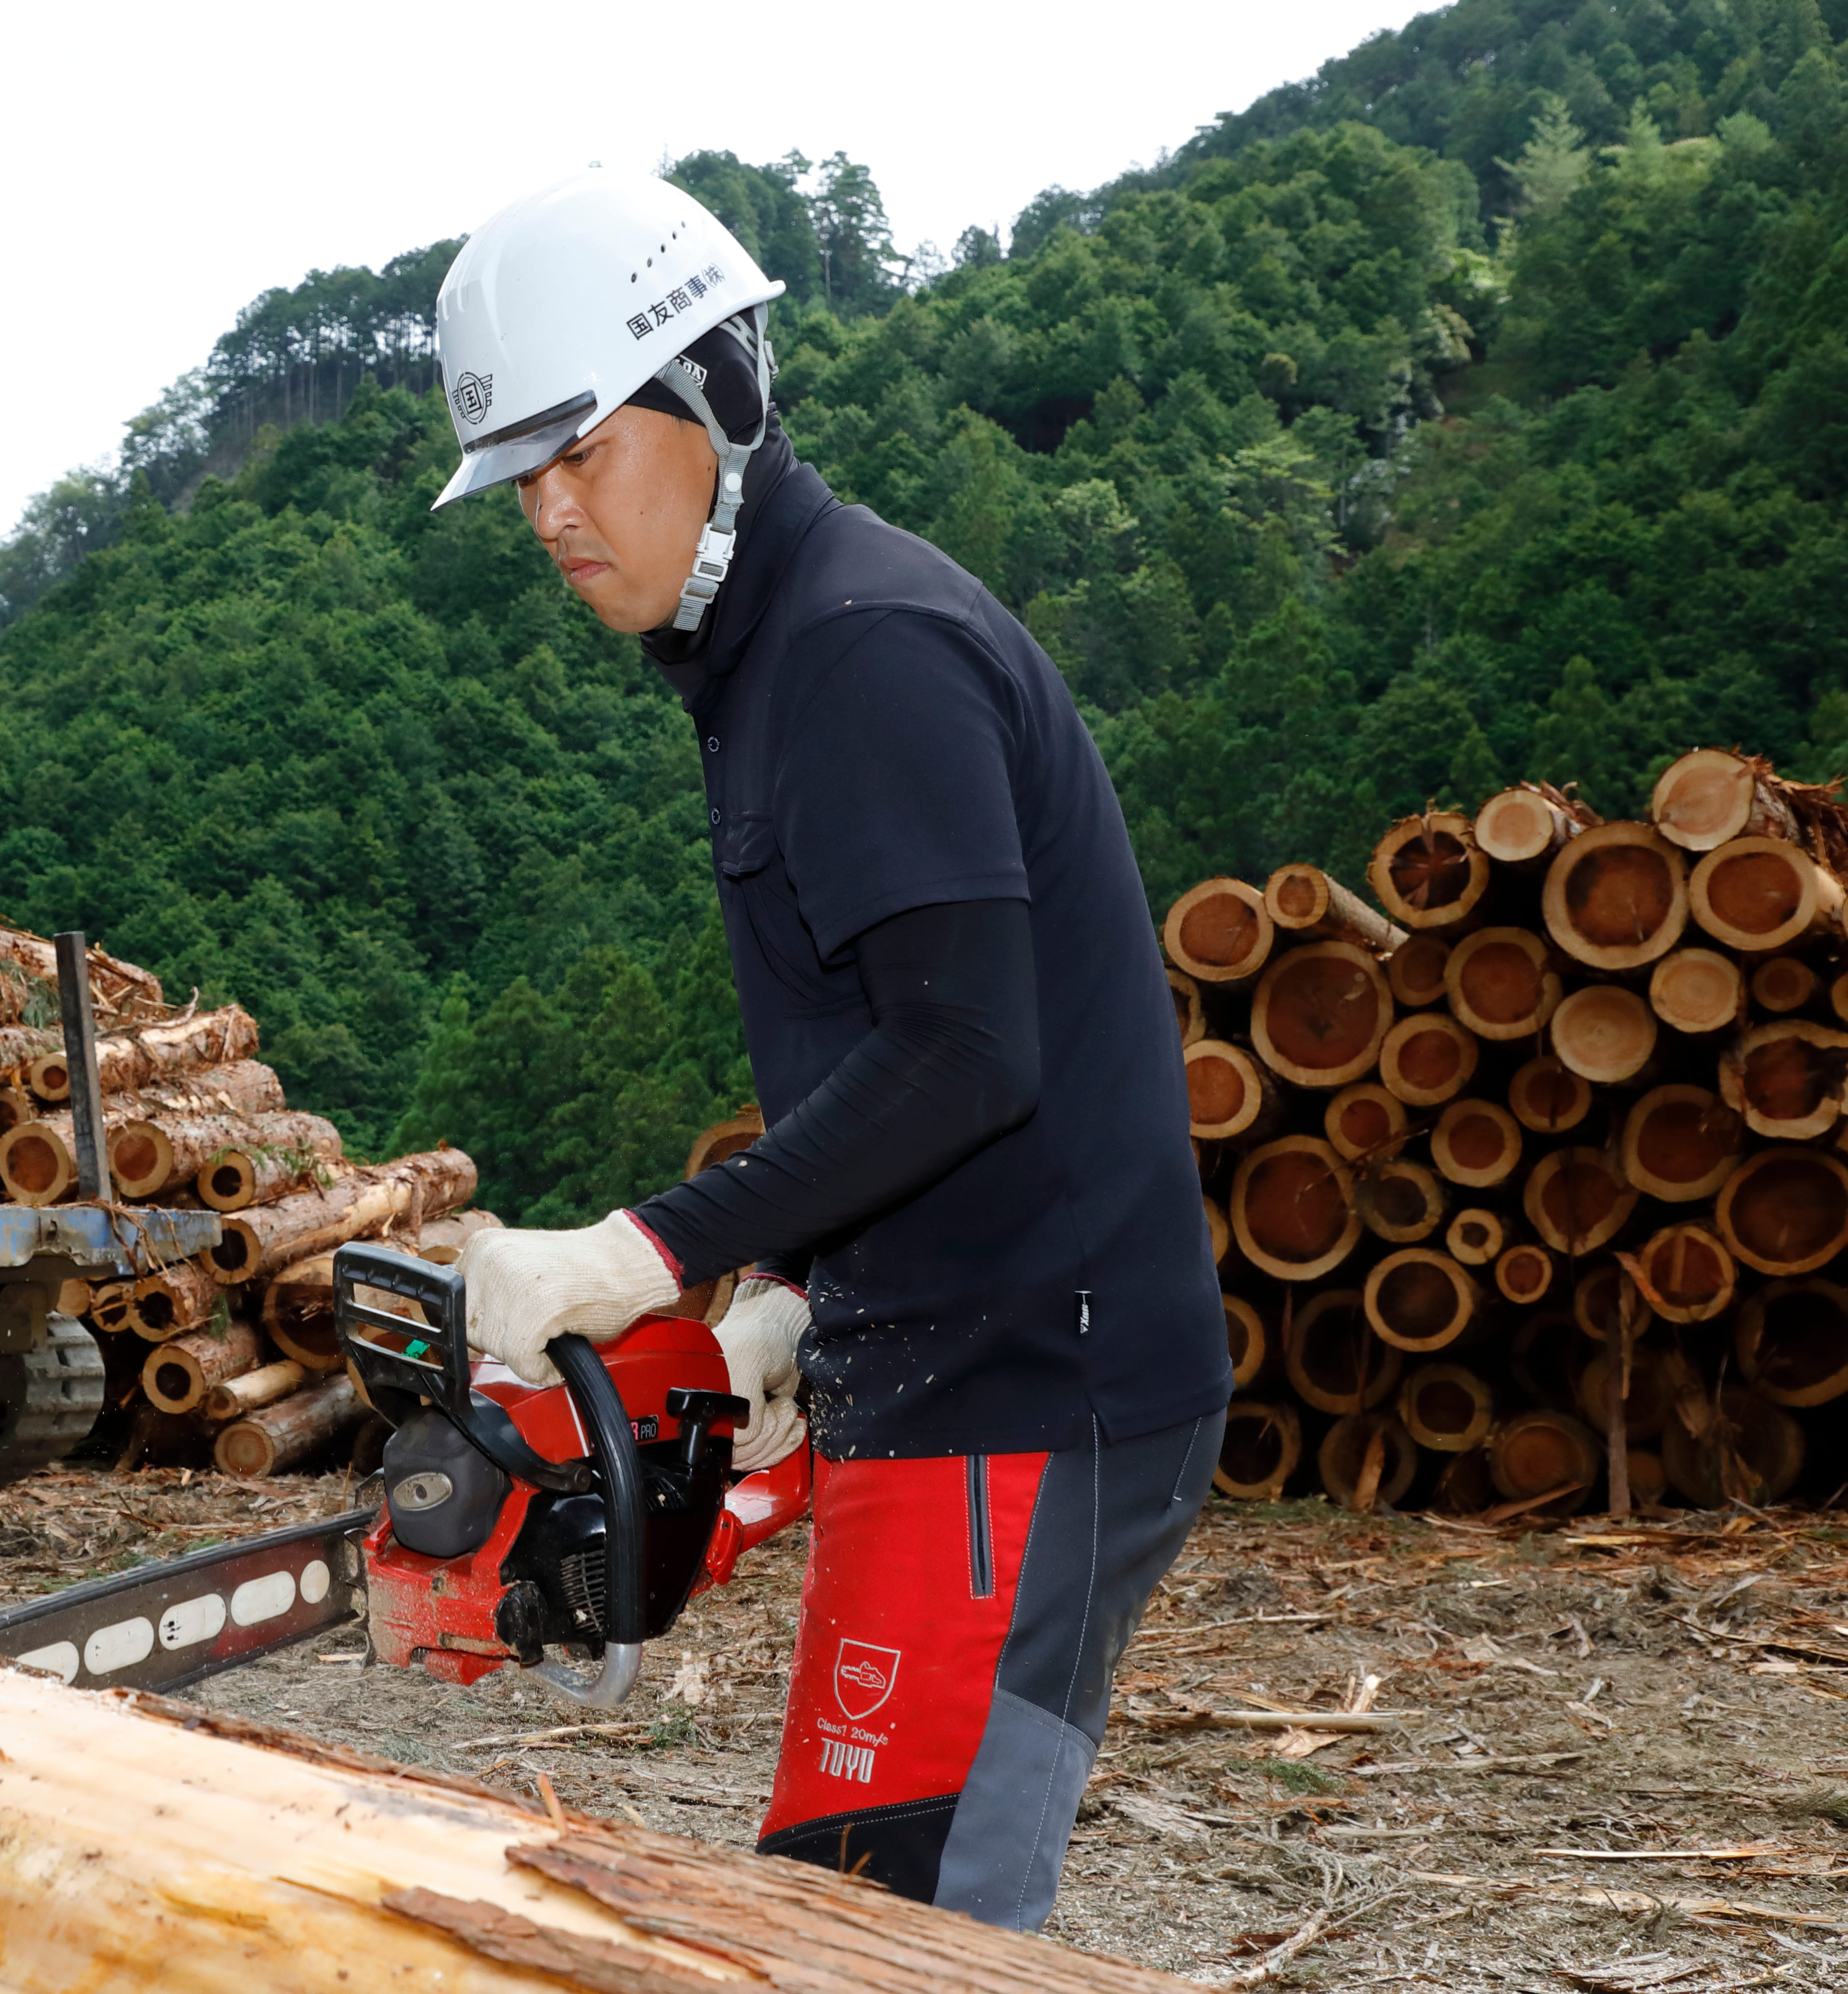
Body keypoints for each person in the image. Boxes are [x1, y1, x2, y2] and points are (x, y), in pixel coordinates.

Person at [432, 173, 1228, 1930]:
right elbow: (879, 1039)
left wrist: (647, 1249)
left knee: (880, 1921)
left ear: (716, 393)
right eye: (522, 477)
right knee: (857, 1890)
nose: (552, 512)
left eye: (583, 452)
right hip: (953, 1355)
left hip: (1030, 1383)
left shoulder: (862, 651)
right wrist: (793, 1295)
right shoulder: (766, 650)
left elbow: (968, 1051)